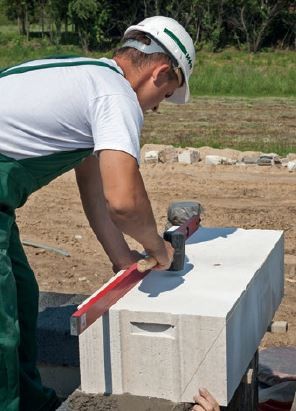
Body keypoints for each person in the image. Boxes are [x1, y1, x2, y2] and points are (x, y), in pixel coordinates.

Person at [0, 15, 196, 411]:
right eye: (166, 95)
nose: (157, 110)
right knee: (1, 326)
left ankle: (29, 403)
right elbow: (124, 201)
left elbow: (96, 191)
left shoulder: (89, 78)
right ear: (160, 73)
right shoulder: (115, 96)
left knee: (20, 295)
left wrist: (123, 258)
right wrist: (157, 247)